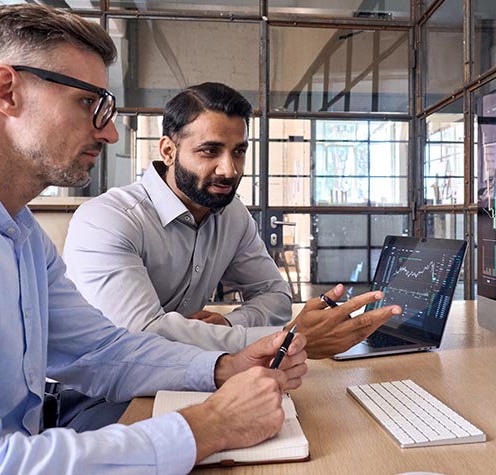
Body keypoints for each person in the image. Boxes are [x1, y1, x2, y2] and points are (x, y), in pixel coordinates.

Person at [0, 5, 308, 474]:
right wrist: (209, 426)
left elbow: (100, 350)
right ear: (7, 91)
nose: (109, 132)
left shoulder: (19, 232)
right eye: (88, 103)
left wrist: (222, 367)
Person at [63, 83, 404, 357]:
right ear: (168, 151)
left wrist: (228, 325)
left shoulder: (231, 213)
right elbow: (141, 337)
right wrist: (287, 339)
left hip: (183, 374)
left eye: (238, 151)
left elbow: (275, 296)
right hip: (93, 393)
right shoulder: (107, 220)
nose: (230, 170)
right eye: (210, 151)